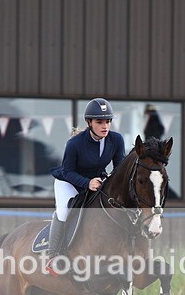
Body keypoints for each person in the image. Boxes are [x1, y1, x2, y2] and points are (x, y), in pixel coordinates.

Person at [46, 98, 126, 275]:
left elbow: (119, 168)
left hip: (96, 181)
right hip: (69, 182)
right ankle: (53, 256)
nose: (105, 126)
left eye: (108, 121)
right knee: (64, 212)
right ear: (89, 122)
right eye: (99, 122)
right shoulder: (74, 144)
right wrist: (87, 183)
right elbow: (67, 172)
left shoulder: (116, 140)